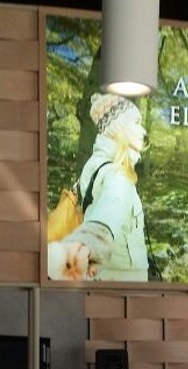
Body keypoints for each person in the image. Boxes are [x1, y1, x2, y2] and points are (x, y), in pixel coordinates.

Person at [48, 93, 149, 281]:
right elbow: (109, 210)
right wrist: (85, 243)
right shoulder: (117, 174)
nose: (142, 130)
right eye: (136, 123)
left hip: (103, 277)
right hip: (121, 283)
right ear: (119, 130)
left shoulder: (95, 164)